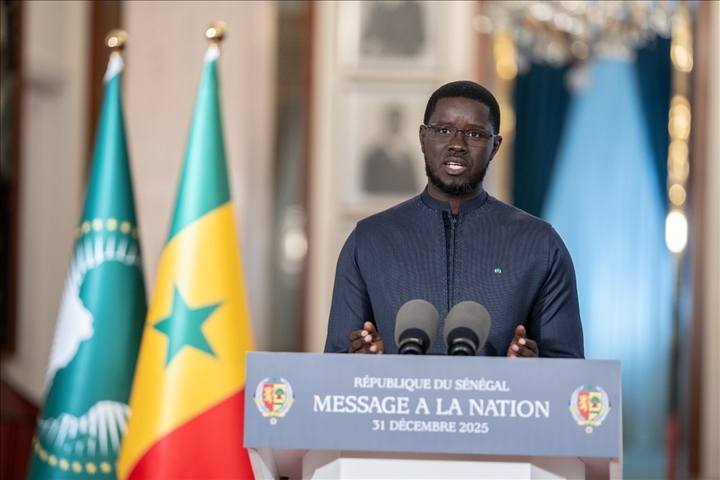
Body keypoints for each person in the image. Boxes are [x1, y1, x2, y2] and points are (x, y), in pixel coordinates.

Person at [324, 80, 584, 358]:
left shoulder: (540, 244)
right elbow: (337, 362)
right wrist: (363, 362)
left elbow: (567, 368)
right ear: (423, 137)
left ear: (495, 146)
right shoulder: (369, 240)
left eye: (474, 134)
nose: (457, 144)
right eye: (444, 130)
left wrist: (529, 368)